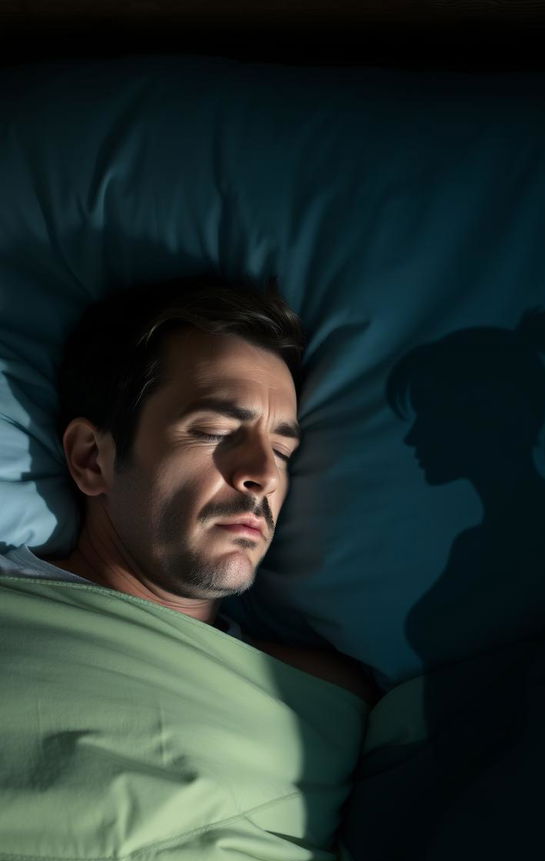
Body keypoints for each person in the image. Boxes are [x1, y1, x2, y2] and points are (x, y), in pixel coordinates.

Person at [1, 273, 382, 707]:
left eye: (281, 450)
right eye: (215, 432)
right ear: (92, 458)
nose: (265, 475)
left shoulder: (327, 698)